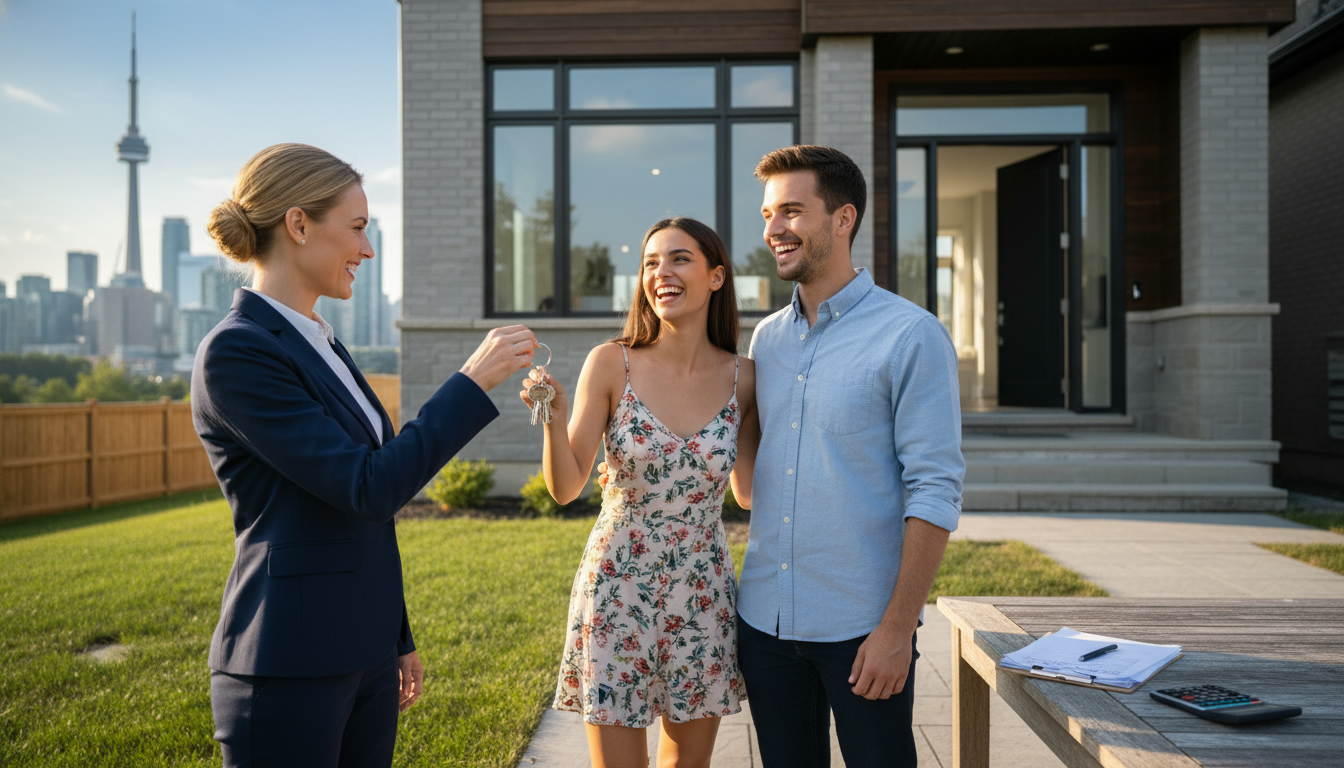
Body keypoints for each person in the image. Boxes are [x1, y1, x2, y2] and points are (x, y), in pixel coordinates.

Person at [193, 143, 536, 768]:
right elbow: (368, 485)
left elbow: (364, 515)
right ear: (298, 225)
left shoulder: (320, 341)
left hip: (366, 654)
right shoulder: (237, 353)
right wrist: (469, 382)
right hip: (290, 663)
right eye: (356, 228)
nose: (367, 249)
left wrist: (394, 638)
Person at [736, 145, 964, 766]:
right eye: (766, 214)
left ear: (843, 219)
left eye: (790, 211)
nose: (773, 230)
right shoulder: (767, 339)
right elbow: (751, 488)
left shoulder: (911, 334)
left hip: (863, 628)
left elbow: (936, 490)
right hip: (765, 622)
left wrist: (897, 630)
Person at [520, 217, 759, 768]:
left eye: (679, 259)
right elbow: (564, 487)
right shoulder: (611, 362)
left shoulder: (743, 378)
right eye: (651, 262)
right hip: (618, 586)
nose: (661, 273)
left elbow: (747, 493)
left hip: (702, 590)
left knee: (687, 765)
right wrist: (551, 415)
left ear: (716, 276)